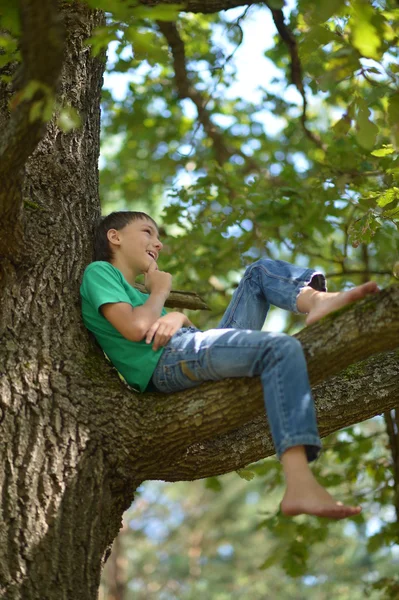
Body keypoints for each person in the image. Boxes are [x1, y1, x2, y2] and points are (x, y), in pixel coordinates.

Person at [80, 211, 379, 519]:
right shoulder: (100, 272)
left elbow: (188, 336)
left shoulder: (136, 294)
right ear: (114, 237)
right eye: (148, 232)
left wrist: (178, 315)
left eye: (158, 237)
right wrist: (160, 291)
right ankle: (299, 482)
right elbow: (134, 329)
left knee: (259, 272)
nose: (157, 244)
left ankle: (315, 300)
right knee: (281, 348)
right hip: (166, 362)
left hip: (184, 350)